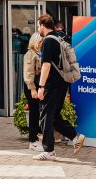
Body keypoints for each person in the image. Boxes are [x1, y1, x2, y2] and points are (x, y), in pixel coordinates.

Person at [34, 13, 84, 161]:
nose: (38, 29)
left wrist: (41, 86)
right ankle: (75, 137)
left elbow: (46, 65)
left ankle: (49, 151)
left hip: (52, 85)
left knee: (46, 116)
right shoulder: (58, 38)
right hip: (62, 84)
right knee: (54, 116)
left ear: (43, 25)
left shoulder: (49, 41)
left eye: (38, 26)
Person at [22, 32, 43, 151]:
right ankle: (33, 141)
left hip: (37, 86)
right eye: (40, 41)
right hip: (32, 87)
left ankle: (36, 138)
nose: (41, 43)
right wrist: (33, 89)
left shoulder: (38, 53)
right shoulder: (30, 54)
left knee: (37, 113)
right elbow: (28, 74)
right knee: (34, 114)